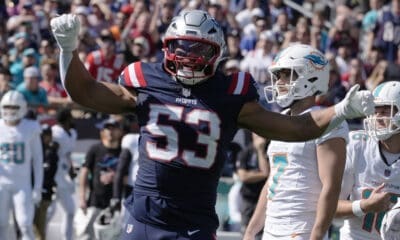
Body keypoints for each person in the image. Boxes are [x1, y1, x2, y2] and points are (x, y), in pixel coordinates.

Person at [50, 10, 373, 239]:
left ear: (217, 53)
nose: (188, 56)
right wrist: (68, 51)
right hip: (145, 215)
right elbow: (86, 92)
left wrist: (341, 110)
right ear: (167, 46)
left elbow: (298, 129)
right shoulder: (147, 80)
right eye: (181, 47)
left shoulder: (230, 93)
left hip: (194, 222)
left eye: (199, 49)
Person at [243, 44, 349, 240]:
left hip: (301, 230)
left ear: (311, 76)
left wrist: (316, 235)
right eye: (278, 76)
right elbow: (274, 180)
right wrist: (251, 231)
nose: (279, 82)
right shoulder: (282, 117)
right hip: (272, 229)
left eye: (287, 75)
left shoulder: (327, 121)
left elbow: (331, 187)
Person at [336, 81, 400, 240]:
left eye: (386, 109)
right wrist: (364, 206)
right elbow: (329, 207)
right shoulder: (357, 145)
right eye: (375, 109)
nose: (378, 115)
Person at [0, 90, 43, 240]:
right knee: (1, 223)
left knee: (25, 224)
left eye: (14, 107)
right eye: (7, 107)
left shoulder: (30, 127)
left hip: (22, 184)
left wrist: (37, 187)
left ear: (22, 108)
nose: (10, 111)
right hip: (1, 184)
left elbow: (38, 160)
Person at [77, 117, 123, 240]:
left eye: (114, 128)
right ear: (102, 131)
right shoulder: (95, 149)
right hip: (95, 201)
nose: (110, 132)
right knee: (87, 235)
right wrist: (82, 197)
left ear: (120, 131)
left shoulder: (123, 151)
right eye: (107, 128)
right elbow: (84, 172)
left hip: (116, 204)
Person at [51, 108, 77, 240]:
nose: (73, 120)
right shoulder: (55, 133)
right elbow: (50, 155)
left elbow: (68, 155)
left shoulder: (72, 133)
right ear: (67, 119)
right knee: (49, 211)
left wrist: (71, 169)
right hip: (54, 176)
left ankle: (66, 238)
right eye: (71, 117)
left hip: (64, 176)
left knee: (70, 210)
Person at [236, 132, 269, 238]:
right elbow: (243, 176)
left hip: (264, 199)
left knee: (262, 233)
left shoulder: (268, 151)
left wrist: (260, 150)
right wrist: (261, 174)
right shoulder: (245, 152)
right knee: (247, 231)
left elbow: (267, 173)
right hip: (248, 200)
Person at [33, 124, 59, 240]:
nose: (45, 138)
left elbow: (49, 173)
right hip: (33, 192)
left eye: (47, 135)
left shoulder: (51, 153)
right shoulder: (35, 150)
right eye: (43, 135)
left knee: (40, 226)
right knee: (29, 224)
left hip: (45, 193)